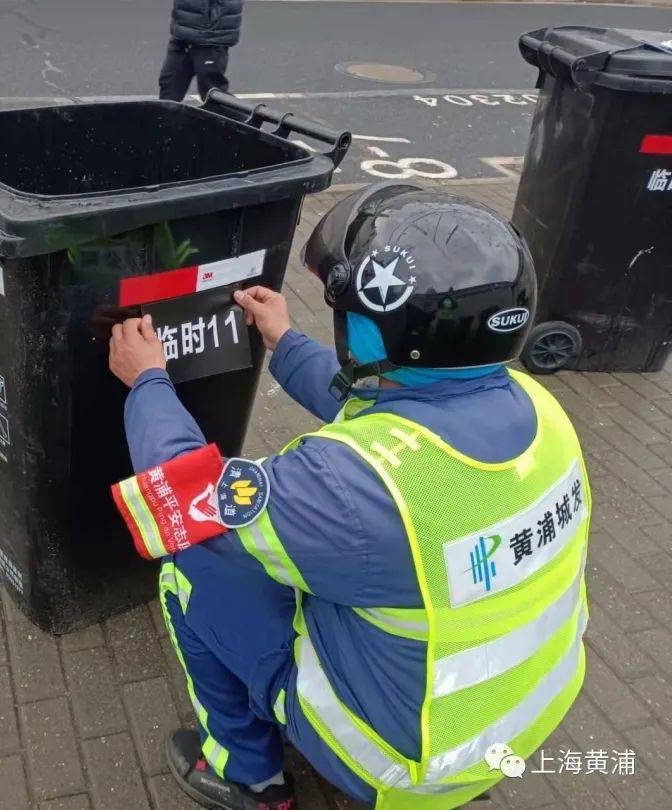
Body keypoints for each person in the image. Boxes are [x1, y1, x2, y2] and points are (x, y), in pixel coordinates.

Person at [108, 184, 590, 809]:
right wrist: (284, 340)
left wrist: (146, 380)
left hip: (403, 766)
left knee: (195, 568)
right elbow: (392, 411)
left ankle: (245, 777)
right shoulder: (540, 411)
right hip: (516, 722)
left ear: (369, 334)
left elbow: (186, 501)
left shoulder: (349, 488)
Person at [158, 0, 244, 102]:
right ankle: (165, 117)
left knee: (212, 93)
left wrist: (211, 20)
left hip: (210, 36)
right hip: (182, 33)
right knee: (169, 86)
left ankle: (250, 116)